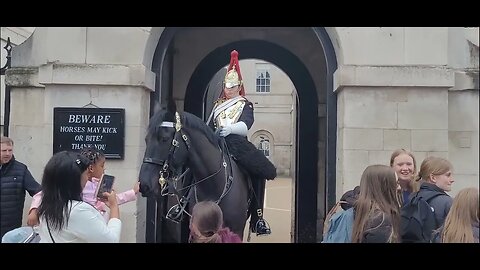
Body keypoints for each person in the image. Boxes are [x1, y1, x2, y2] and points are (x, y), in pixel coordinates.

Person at [210, 50, 277, 236]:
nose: (228, 90)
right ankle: (183, 203)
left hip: (237, 142)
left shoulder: (244, 104)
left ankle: (257, 218)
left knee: (258, 170)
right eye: (226, 86)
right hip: (216, 141)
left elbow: (246, 124)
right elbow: (208, 125)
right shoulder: (217, 106)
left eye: (232, 87)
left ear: (238, 87)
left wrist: (230, 129)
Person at [27, 146, 139, 225]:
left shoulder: (99, 184)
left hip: (96, 222)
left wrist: (132, 192)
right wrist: (34, 210)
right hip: (78, 220)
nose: (104, 169)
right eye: (102, 165)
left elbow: (112, 200)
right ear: (91, 168)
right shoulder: (73, 180)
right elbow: (45, 192)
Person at [36, 151, 121, 243]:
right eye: (86, 173)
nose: (88, 178)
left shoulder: (46, 206)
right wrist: (114, 207)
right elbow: (111, 240)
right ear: (74, 179)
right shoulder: (78, 211)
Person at [0, 136, 42, 238]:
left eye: (10, 150)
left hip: (10, 229)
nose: (7, 154)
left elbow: (39, 192)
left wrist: (34, 210)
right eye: (4, 150)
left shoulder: (21, 170)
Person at [351, 165, 401, 243]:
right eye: (396, 183)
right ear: (385, 187)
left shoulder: (361, 213)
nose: (399, 188)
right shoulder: (381, 221)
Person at [414, 156, 454, 228]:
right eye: (448, 175)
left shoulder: (413, 198)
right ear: (433, 178)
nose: (452, 180)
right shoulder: (447, 202)